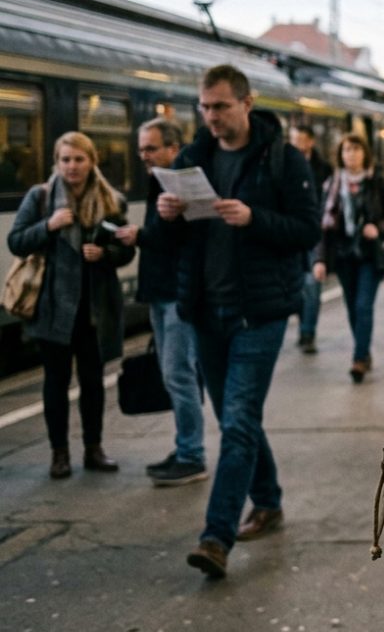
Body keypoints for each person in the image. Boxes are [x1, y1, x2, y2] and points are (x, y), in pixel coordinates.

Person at [156, 64, 321, 578]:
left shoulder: (282, 160)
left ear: (246, 104)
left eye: (221, 107)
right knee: (235, 419)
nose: (211, 117)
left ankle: (216, 536)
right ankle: (268, 500)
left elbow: (307, 229)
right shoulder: (192, 160)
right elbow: (166, 245)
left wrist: (255, 218)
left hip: (260, 313)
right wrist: (164, 215)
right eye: (204, 107)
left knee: (239, 417)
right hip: (206, 311)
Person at [7, 132, 134, 479]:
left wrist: (106, 254)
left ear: (92, 161)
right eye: (66, 160)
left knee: (93, 382)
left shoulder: (111, 200)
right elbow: (16, 242)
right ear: (56, 162)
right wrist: (48, 226)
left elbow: (127, 249)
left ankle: (94, 449)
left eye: (79, 159)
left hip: (94, 310)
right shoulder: (41, 198)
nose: (72, 166)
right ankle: (59, 453)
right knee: (56, 382)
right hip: (52, 308)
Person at [115, 119, 208, 486]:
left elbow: (182, 240)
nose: (144, 155)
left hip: (176, 293)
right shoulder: (160, 182)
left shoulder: (182, 186)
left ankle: (192, 454)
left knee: (178, 373)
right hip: (159, 292)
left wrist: (141, 235)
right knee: (175, 374)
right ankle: (186, 447)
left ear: (172, 148)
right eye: (141, 149)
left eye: (150, 148)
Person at [313, 133, 384, 382]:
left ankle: (359, 358)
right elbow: (324, 225)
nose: (350, 154)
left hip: (370, 256)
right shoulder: (333, 184)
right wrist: (319, 259)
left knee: (363, 306)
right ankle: (362, 350)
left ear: (365, 153)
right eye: (346, 150)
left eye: (355, 149)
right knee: (353, 308)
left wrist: (379, 227)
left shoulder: (376, 182)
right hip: (343, 256)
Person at [289, 124, 333, 354]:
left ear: (310, 142)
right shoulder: (284, 166)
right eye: (292, 139)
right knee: (295, 284)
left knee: (312, 284)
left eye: (300, 139)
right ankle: (303, 325)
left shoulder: (323, 169)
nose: (295, 144)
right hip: (292, 234)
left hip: (315, 233)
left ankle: (308, 332)